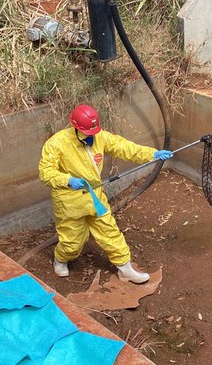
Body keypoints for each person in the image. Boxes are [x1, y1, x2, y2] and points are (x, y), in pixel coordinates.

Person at [38, 104, 173, 284]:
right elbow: (46, 172)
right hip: (70, 202)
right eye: (87, 131)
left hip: (95, 198)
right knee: (72, 243)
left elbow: (124, 147)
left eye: (93, 131)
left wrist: (153, 154)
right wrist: (67, 180)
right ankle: (61, 259)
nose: (91, 135)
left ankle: (126, 270)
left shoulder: (99, 137)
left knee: (110, 231)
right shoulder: (57, 143)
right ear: (75, 127)